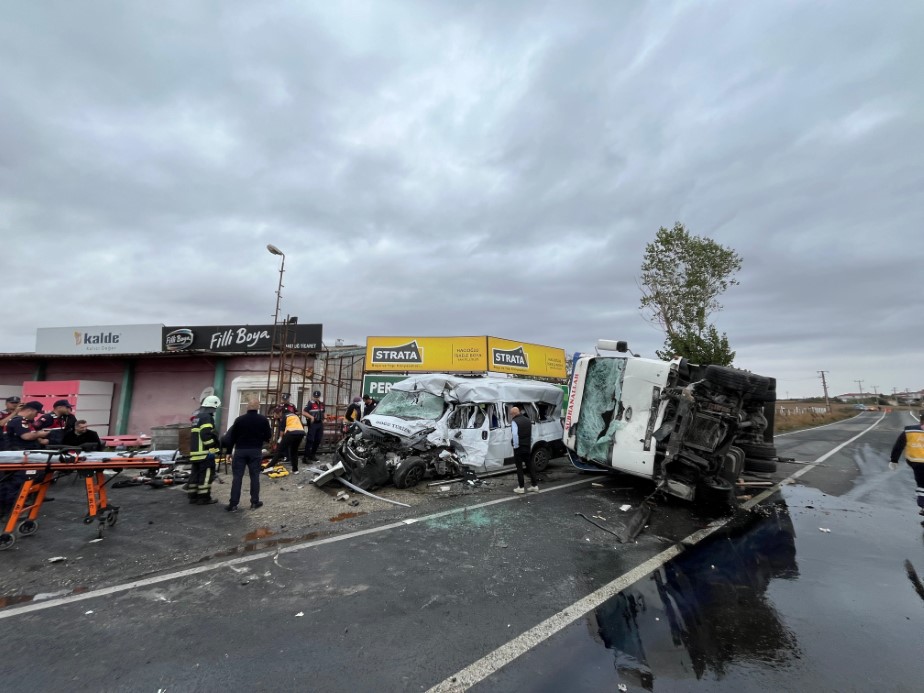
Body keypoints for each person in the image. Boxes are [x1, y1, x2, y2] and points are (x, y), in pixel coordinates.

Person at [224, 397, 272, 512]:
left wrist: (229, 452)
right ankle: (254, 502)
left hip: (240, 451)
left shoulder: (239, 420)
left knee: (237, 478)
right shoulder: (263, 420)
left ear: (247, 407)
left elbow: (232, 437)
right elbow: (268, 436)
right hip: (255, 451)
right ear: (258, 407)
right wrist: (259, 437)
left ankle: (233, 504)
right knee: (254, 477)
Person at [1, 401, 49, 516]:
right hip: (20, 457)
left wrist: (40, 439)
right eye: (36, 413)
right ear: (31, 410)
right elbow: (26, 436)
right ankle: (11, 511)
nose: (36, 416)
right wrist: (41, 434)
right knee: (16, 484)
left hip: (16, 456)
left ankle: (8, 508)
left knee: (9, 483)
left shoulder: (18, 421)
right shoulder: (20, 421)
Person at [889, 411, 924, 518]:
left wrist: (894, 460)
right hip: (917, 463)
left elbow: (898, 446)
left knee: (922, 485)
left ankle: (923, 506)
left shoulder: (909, 430)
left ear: (920, 420)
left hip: (917, 463)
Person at [188, 395, 222, 505]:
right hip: (204, 453)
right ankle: (204, 498)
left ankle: (193, 496)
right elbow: (206, 435)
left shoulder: (197, 417)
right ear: (213, 406)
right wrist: (213, 449)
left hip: (195, 453)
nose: (215, 410)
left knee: (195, 475)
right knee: (206, 476)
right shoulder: (207, 417)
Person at [510, 405, 538, 494]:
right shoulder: (527, 420)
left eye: (511, 414)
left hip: (519, 447)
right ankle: (534, 485)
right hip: (527, 446)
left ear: (514, 413)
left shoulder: (514, 421)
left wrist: (515, 446)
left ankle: (521, 487)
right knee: (530, 466)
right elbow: (531, 435)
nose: (511, 416)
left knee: (519, 467)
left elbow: (515, 435)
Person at [274, 407, 306, 473]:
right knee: (294, 451)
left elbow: (282, 430)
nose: (275, 416)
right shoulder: (291, 415)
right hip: (300, 432)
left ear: (280, 413)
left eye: (276, 414)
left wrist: (280, 439)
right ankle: (295, 468)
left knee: (280, 450)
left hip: (291, 433)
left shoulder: (284, 417)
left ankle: (272, 464)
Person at [303, 390, 325, 463]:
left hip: (319, 423)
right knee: (310, 440)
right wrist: (311, 417)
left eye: (317, 397)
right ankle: (306, 457)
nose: (316, 398)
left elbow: (323, 412)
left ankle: (312, 455)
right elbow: (304, 412)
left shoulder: (321, 404)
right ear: (313, 396)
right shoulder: (310, 403)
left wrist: (324, 418)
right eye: (315, 397)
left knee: (318, 440)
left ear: (319, 397)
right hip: (313, 424)